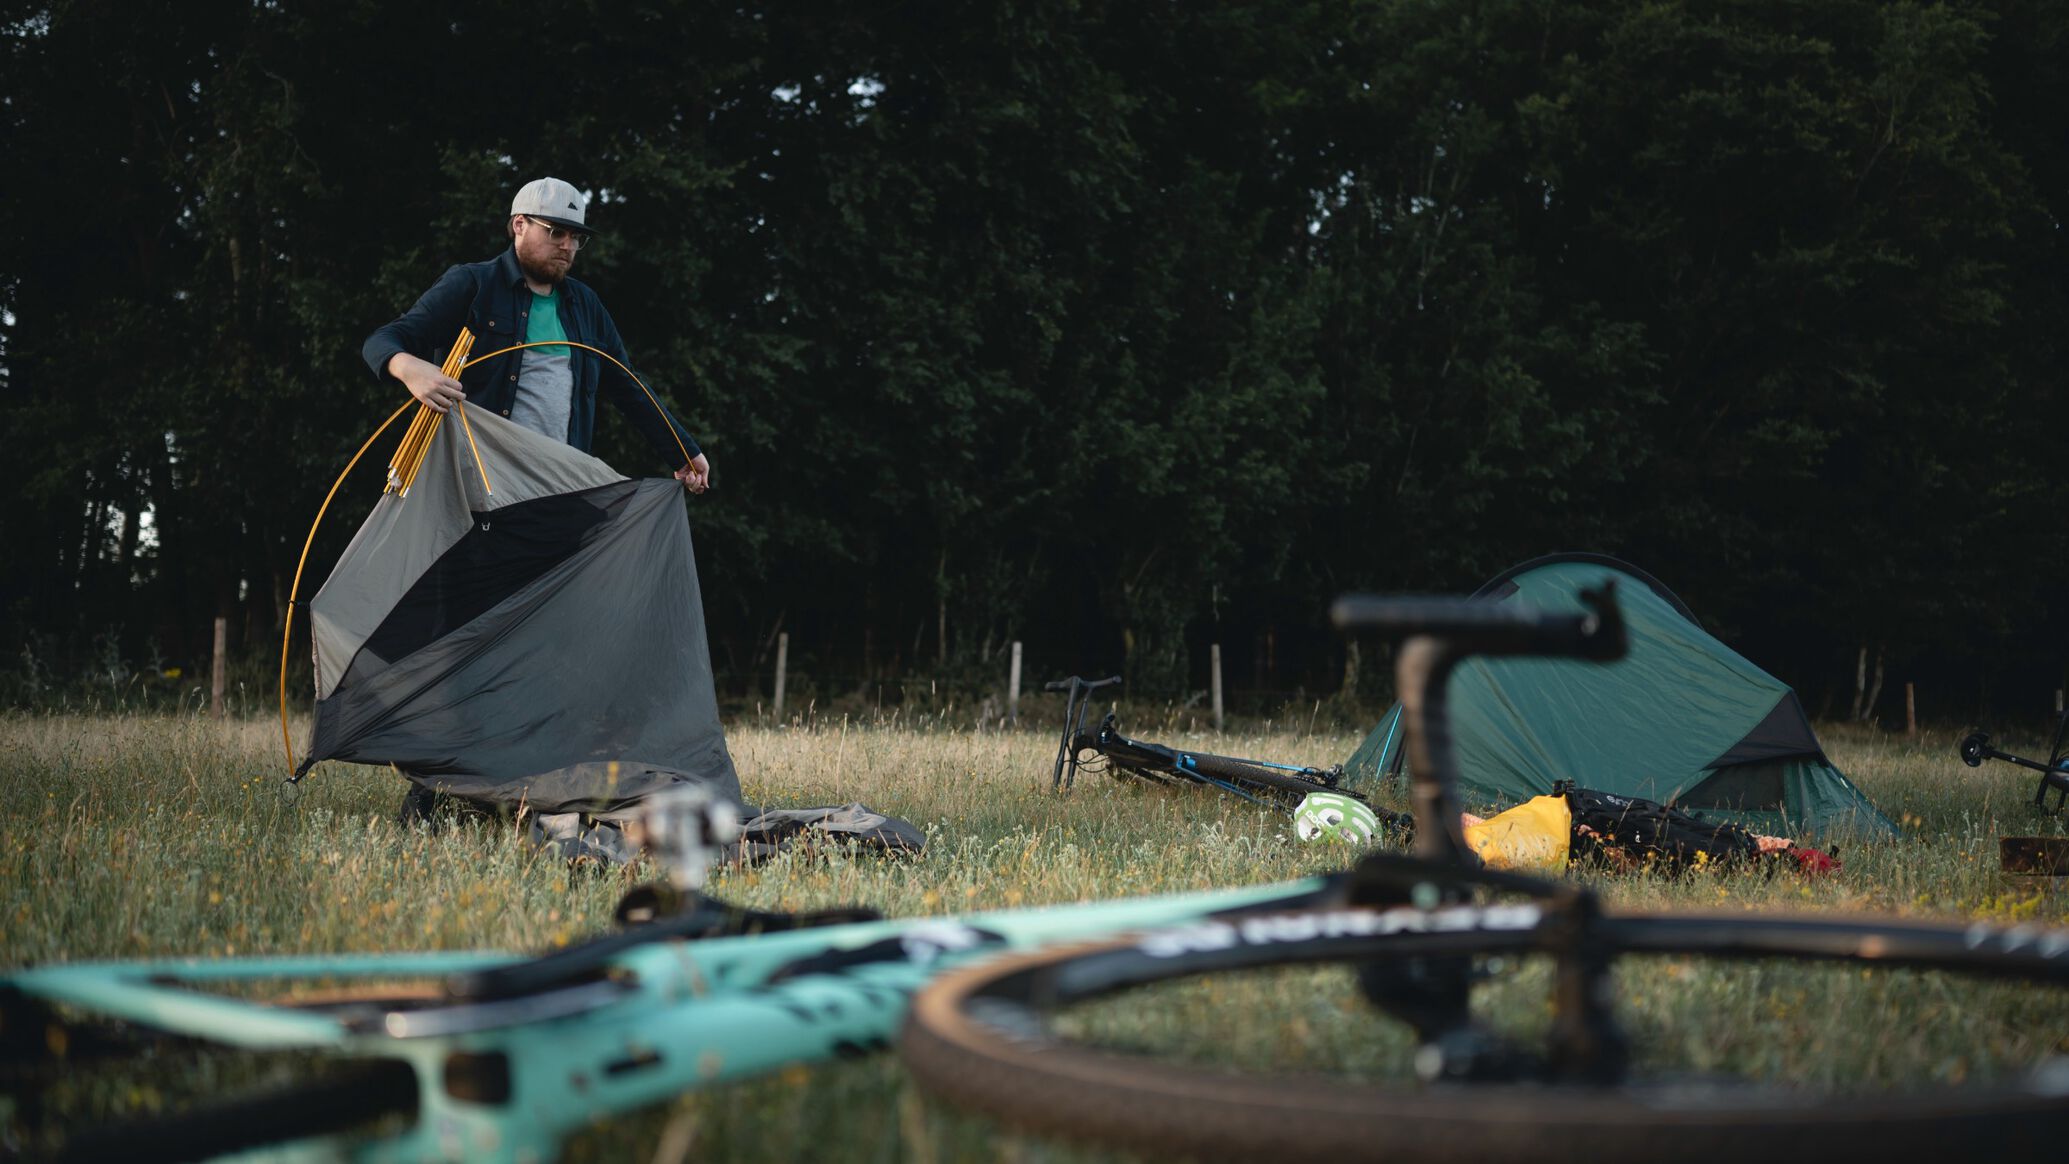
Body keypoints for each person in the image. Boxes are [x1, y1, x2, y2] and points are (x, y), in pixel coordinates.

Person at [363, 176, 711, 493]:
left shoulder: (585, 305)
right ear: (519, 224)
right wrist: (410, 369)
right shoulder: (473, 284)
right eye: (555, 232)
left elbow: (628, 385)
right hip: (478, 488)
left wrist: (683, 450)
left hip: (558, 489)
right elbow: (384, 340)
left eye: (576, 237)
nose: (567, 245)